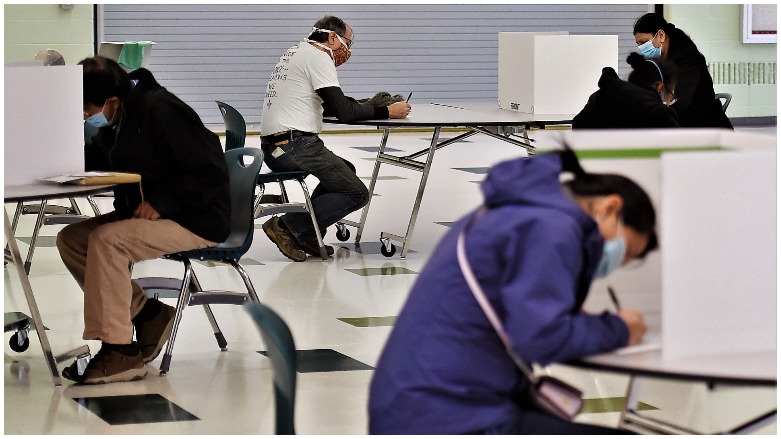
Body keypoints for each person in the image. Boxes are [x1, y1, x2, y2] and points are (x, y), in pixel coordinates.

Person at [369, 146, 657, 434]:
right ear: (610, 208)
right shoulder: (552, 227)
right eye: (625, 252)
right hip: (450, 416)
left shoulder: (516, 212)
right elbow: (542, 338)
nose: (614, 263)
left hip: (417, 405)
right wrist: (619, 328)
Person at [56, 56, 231, 384]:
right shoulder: (123, 115)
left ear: (111, 100)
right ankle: (149, 314)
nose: (86, 116)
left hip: (196, 218)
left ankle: (119, 351)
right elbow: (101, 155)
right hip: (150, 211)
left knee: (107, 240)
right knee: (72, 240)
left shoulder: (161, 110)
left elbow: (211, 171)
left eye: (87, 110)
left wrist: (163, 201)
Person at [259, 15, 411, 262]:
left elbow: (331, 105)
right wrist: (387, 112)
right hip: (294, 146)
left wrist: (365, 104)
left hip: (278, 145)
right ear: (332, 38)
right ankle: (286, 227)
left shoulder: (298, 51)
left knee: (345, 171)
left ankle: (307, 232)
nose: (347, 51)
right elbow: (343, 113)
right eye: (347, 44)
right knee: (356, 193)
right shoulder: (319, 57)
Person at [633, 12, 733, 129]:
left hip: (705, 125)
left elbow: (682, 101)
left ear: (661, 35)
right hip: (686, 121)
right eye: (638, 44)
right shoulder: (662, 56)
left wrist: (658, 114)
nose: (641, 48)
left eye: (644, 42)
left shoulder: (686, 57)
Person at [573, 52, 680, 129]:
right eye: (670, 96)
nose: (668, 102)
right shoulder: (659, 114)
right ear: (660, 88)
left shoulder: (600, 97)